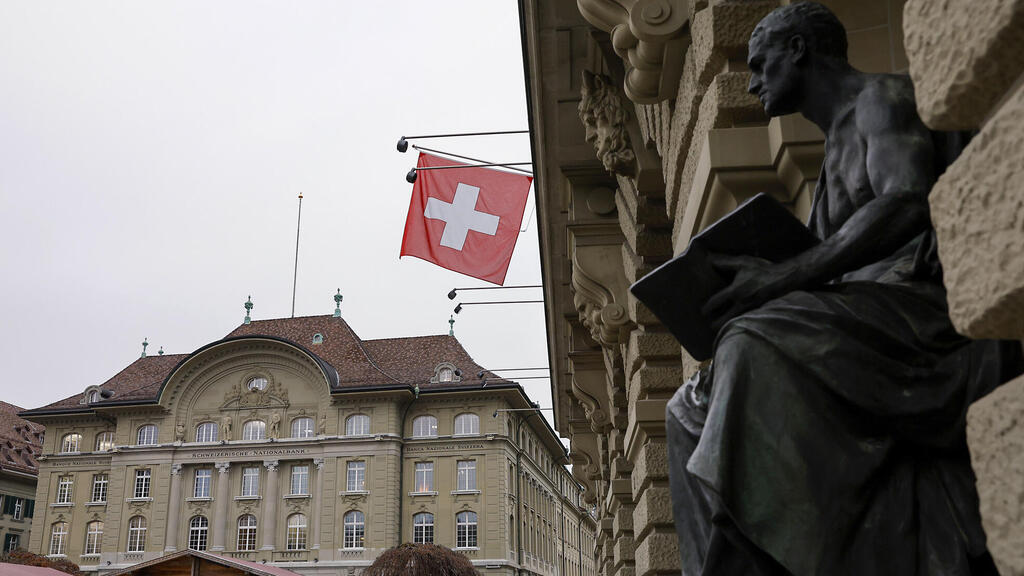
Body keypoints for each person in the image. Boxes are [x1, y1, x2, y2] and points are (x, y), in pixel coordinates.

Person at [666, 3, 1022, 575]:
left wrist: (782, 277)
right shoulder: (832, 149)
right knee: (684, 407)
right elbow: (829, 262)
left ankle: (755, 556)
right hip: (860, 324)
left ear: (799, 50)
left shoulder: (881, 99)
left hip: (916, 323)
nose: (752, 83)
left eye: (759, 64)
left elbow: (904, 200)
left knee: (749, 343)